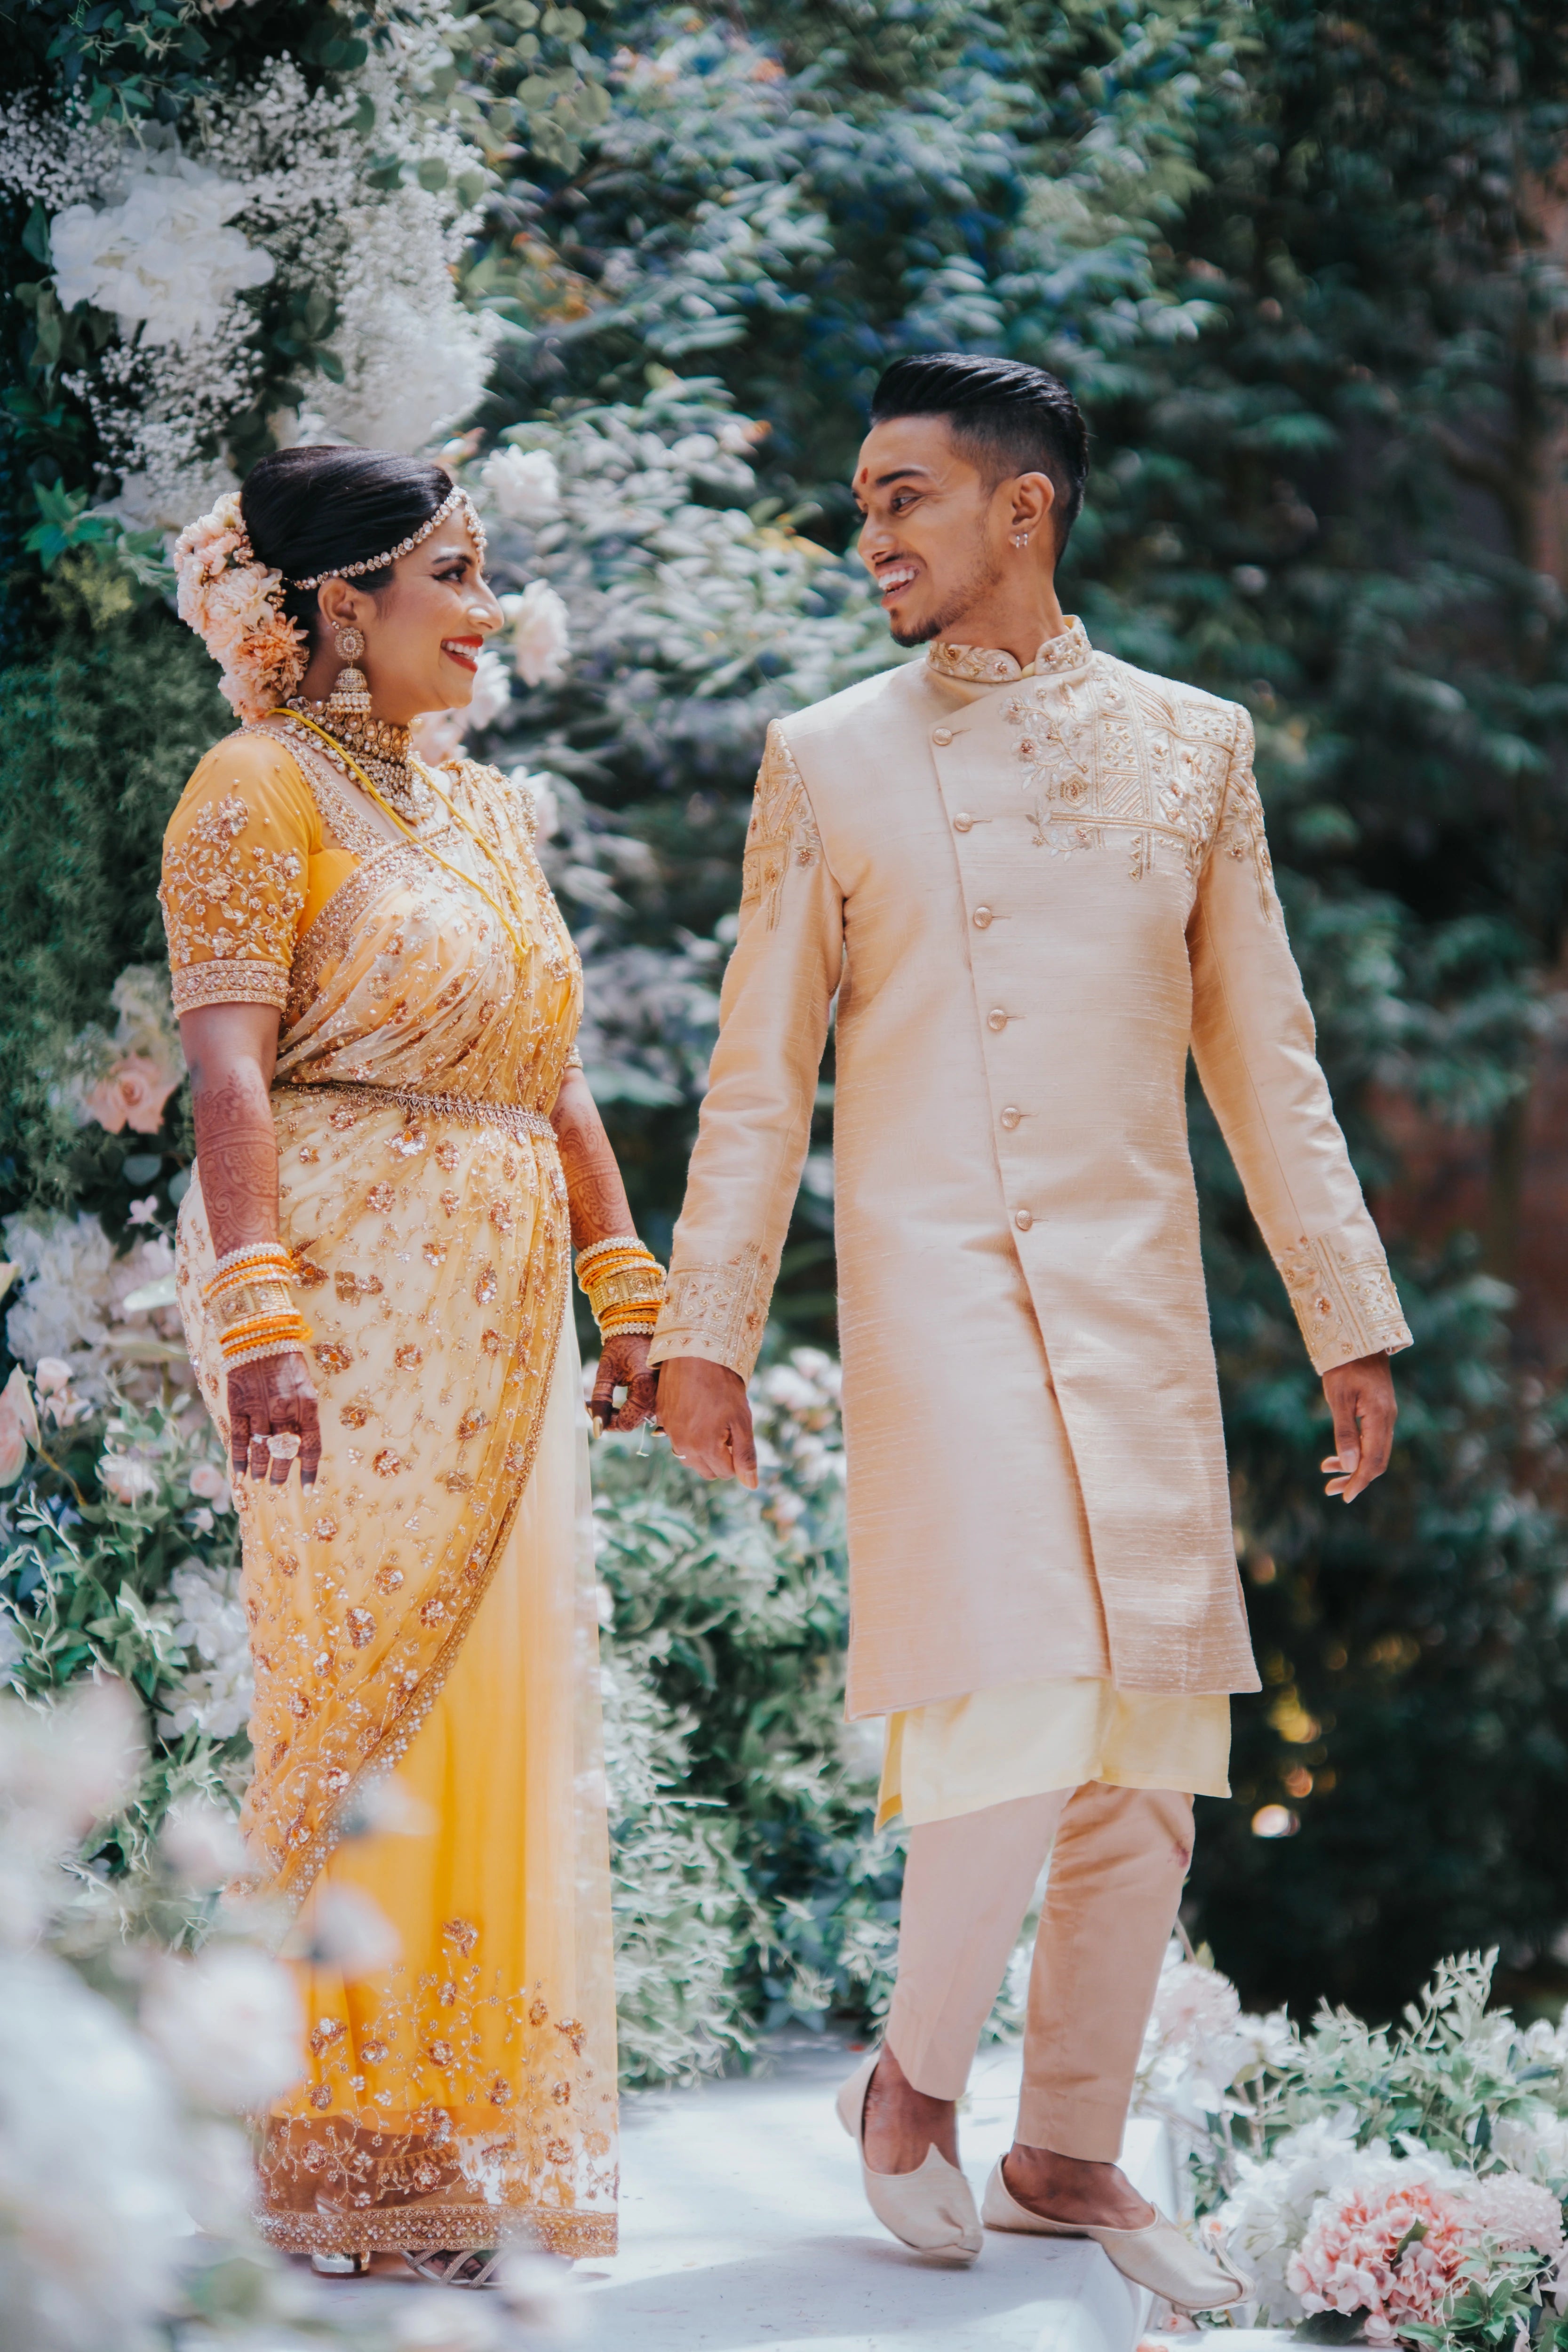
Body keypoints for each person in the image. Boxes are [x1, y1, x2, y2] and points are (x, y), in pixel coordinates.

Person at [653, 353, 1409, 2300]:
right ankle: (911, 2083)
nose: (870, 536)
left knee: (1150, 1735)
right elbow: (760, 1078)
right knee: (1015, 1686)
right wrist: (704, 1326)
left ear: (1023, 509)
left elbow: (1267, 1056)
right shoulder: (829, 757)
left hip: (1132, 1299)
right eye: (862, 502)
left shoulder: (1194, 747)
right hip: (941, 1293)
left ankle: (1066, 2147)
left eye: (900, 496)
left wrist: (1347, 1313)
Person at [161, 448, 663, 2281]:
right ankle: (331, 2142)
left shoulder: (481, 806)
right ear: (340, 602)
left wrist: (627, 1284)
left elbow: (552, 1061)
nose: (485, 608)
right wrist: (262, 1318)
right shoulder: (250, 788)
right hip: (344, 1307)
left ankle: (447, 2122)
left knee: (494, 1698)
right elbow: (228, 1074)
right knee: (356, 1696)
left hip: (504, 1305)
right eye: (452, 574)